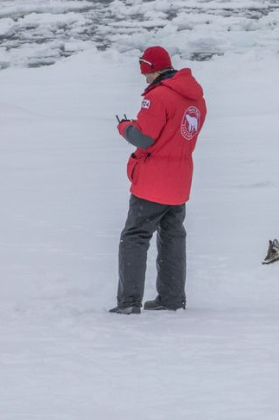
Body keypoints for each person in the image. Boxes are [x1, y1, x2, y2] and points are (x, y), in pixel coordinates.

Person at [109, 46, 207, 314]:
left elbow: (144, 138)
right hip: (180, 181)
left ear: (151, 69)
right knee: (173, 237)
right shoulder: (196, 99)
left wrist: (124, 127)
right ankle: (171, 299)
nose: (145, 79)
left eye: (145, 72)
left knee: (135, 237)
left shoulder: (158, 97)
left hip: (153, 182)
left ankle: (129, 302)